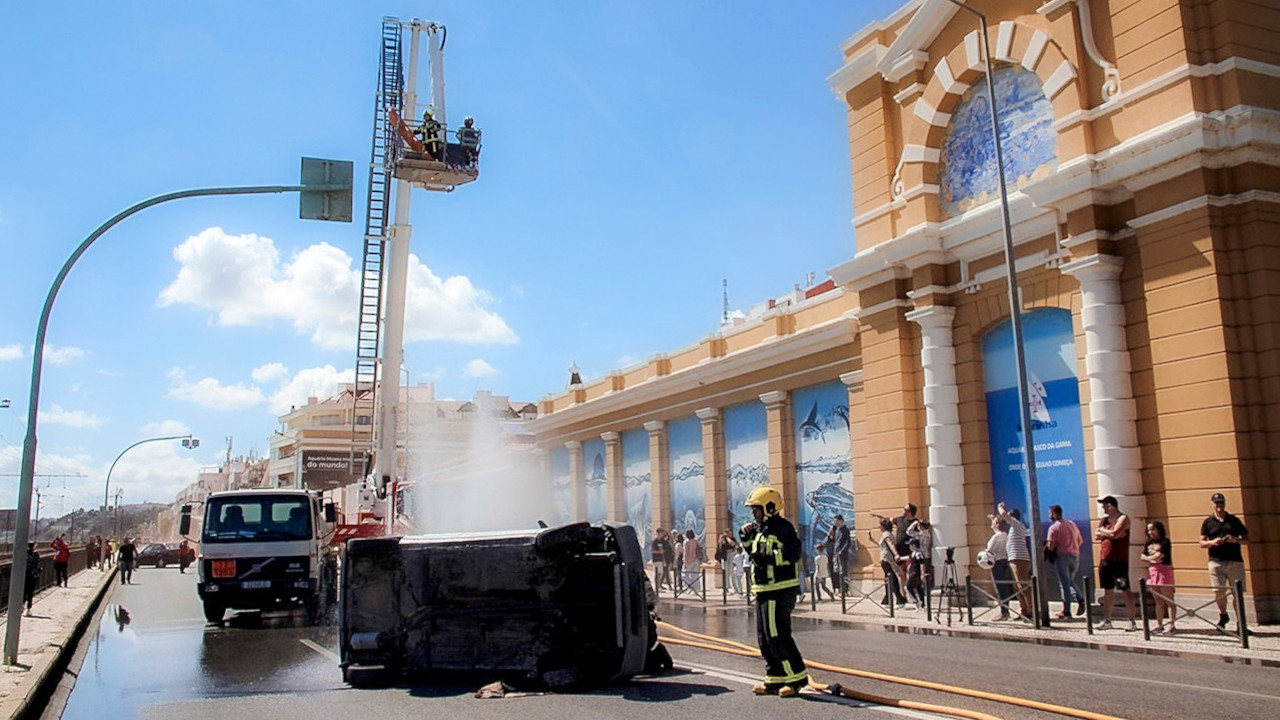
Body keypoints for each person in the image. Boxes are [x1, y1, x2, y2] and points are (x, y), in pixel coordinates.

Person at [739, 486, 808, 697]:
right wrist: (745, 537)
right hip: (763, 589)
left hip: (779, 590)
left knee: (778, 635)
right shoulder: (761, 529)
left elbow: (793, 553)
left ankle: (795, 678)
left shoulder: (783, 528)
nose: (754, 513)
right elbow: (754, 553)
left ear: (769, 507)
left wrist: (767, 556)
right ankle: (775, 678)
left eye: (757, 509)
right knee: (764, 637)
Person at [1199, 492, 1249, 630]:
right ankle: (1223, 614)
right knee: (1218, 591)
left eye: (1221, 503)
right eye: (1216, 503)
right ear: (1212, 504)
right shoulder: (1208, 522)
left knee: (1237, 593)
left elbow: (1247, 538)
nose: (1219, 506)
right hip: (1215, 561)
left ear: (1224, 503)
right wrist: (1213, 542)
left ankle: (1241, 624)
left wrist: (1236, 540)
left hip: (1234, 560)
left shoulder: (1234, 520)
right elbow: (1201, 542)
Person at [1094, 495, 1138, 631]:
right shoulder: (1104, 521)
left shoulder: (1123, 518)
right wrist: (1106, 532)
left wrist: (1105, 532)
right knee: (1108, 590)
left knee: (1125, 590)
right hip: (1105, 559)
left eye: (1104, 505)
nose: (1103, 508)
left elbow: (1115, 533)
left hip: (1119, 560)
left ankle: (1132, 620)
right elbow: (1097, 534)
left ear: (1111, 506)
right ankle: (1107, 619)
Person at [1045, 504, 1085, 619]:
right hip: (1075, 556)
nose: (1049, 516)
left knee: (1064, 584)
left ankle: (1068, 609)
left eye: (1049, 513)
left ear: (1054, 513)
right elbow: (1080, 540)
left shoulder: (1053, 528)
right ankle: (1079, 599)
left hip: (1062, 557)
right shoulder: (1072, 524)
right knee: (1070, 581)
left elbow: (1051, 546)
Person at [996, 502, 1033, 620]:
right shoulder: (1015, 527)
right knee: (1018, 587)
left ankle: (1031, 610)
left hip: (1019, 559)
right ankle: (1024, 610)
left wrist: (1000, 507)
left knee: (1023, 585)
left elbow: (1004, 515)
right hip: (1015, 558)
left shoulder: (1017, 525)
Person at [1141, 520, 1176, 635]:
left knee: (1169, 600)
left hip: (1164, 571)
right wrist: (1151, 559)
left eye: (1153, 529)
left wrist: (1150, 559)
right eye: (1149, 530)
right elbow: (1142, 556)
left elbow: (1159, 556)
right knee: (1158, 601)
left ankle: (1171, 624)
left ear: (1159, 529)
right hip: (1152, 572)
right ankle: (1159, 624)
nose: (1151, 532)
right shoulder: (1148, 542)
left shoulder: (1165, 541)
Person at [870, 517, 907, 606]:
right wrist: (873, 541)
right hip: (887, 558)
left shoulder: (886, 534)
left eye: (880, 525)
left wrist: (896, 554)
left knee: (891, 579)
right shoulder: (889, 533)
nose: (879, 527)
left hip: (887, 559)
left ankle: (899, 599)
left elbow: (890, 544)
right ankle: (887, 599)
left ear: (883, 526)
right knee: (887, 579)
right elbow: (883, 546)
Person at [983, 515, 1013, 620]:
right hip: (1005, 561)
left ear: (997, 525)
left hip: (997, 563)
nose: (991, 525)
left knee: (999, 588)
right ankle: (1006, 611)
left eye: (993, 522)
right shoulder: (1006, 535)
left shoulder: (996, 537)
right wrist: (994, 518)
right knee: (1004, 587)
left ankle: (1004, 613)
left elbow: (990, 550)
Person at [902, 537, 928, 610]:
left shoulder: (919, 554)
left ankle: (916, 601)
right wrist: (899, 558)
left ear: (914, 545)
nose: (909, 547)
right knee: (918, 588)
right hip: (912, 572)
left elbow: (922, 564)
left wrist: (922, 574)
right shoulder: (914, 553)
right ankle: (922, 604)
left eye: (910, 545)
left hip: (915, 573)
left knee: (908, 587)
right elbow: (909, 557)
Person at [829, 514, 851, 593]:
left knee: (843, 572)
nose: (835, 522)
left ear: (841, 520)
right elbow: (835, 541)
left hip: (842, 555)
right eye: (834, 521)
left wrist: (842, 551)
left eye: (836, 521)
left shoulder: (845, 530)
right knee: (837, 572)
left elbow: (848, 542)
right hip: (836, 554)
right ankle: (840, 589)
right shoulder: (837, 530)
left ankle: (845, 590)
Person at [24, 542, 41, 616]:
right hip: (33, 575)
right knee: (30, 592)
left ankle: (22, 604)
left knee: (23, 590)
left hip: (24, 574)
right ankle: (28, 609)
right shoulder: (36, 554)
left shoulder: (24, 554)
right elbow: (37, 564)